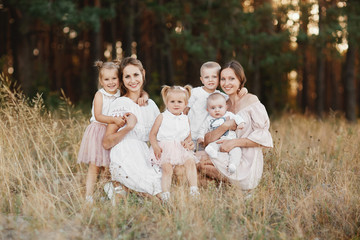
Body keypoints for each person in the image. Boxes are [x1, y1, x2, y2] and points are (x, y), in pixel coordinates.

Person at [77, 60, 149, 203]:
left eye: (114, 78)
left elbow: (140, 92)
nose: (111, 82)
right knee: (95, 165)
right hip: (99, 130)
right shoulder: (100, 94)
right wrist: (114, 120)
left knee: (109, 166)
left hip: (112, 133)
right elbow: (98, 116)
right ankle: (89, 195)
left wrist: (144, 96)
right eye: (106, 79)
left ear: (119, 79)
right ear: (101, 80)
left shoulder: (120, 93)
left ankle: (105, 191)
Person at [197, 60, 273, 190]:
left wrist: (234, 143)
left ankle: (237, 186)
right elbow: (207, 140)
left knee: (201, 165)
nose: (226, 83)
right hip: (224, 154)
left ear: (240, 80)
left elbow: (263, 136)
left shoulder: (250, 100)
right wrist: (225, 126)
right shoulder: (221, 105)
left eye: (231, 78)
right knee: (195, 163)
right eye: (223, 79)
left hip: (246, 161)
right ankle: (224, 189)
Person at [102, 57, 162, 200]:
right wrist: (128, 127)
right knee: (155, 197)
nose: (132, 80)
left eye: (136, 75)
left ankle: (124, 189)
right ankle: (120, 186)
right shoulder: (120, 104)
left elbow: (162, 133)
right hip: (125, 153)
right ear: (122, 80)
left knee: (162, 191)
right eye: (127, 76)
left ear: (143, 74)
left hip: (146, 155)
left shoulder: (151, 105)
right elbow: (106, 142)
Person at [149, 85, 200, 201]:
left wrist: (188, 143)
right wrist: (155, 146)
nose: (176, 104)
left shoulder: (186, 118)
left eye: (179, 102)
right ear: (166, 103)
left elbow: (189, 137)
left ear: (185, 104)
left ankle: (194, 189)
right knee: (167, 169)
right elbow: (152, 134)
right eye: (172, 101)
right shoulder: (162, 117)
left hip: (180, 148)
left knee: (190, 162)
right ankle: (166, 193)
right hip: (165, 148)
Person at [184, 61, 247, 151]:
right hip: (192, 134)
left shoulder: (221, 96)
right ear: (201, 79)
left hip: (208, 135)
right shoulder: (195, 92)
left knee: (203, 155)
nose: (210, 80)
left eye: (214, 77)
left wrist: (243, 89)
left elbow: (234, 95)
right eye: (207, 77)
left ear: (219, 79)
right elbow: (185, 110)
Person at [198, 92, 246, 174]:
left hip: (230, 141)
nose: (217, 110)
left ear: (226, 107)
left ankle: (233, 165)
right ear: (207, 110)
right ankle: (213, 154)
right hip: (216, 142)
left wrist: (241, 123)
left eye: (220, 107)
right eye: (213, 108)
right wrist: (201, 137)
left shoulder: (229, 115)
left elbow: (237, 117)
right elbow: (203, 129)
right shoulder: (208, 119)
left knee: (236, 151)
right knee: (210, 147)